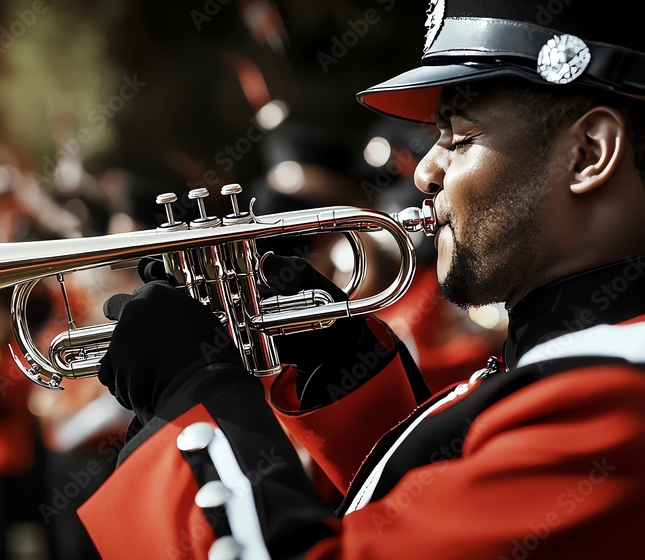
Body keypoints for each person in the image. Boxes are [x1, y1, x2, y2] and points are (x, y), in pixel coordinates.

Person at [76, 1, 645, 558]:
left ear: (587, 152)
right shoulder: (578, 362)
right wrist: (344, 371)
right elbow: (433, 505)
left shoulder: (617, 396)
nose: (424, 171)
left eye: (459, 138)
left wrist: (194, 399)